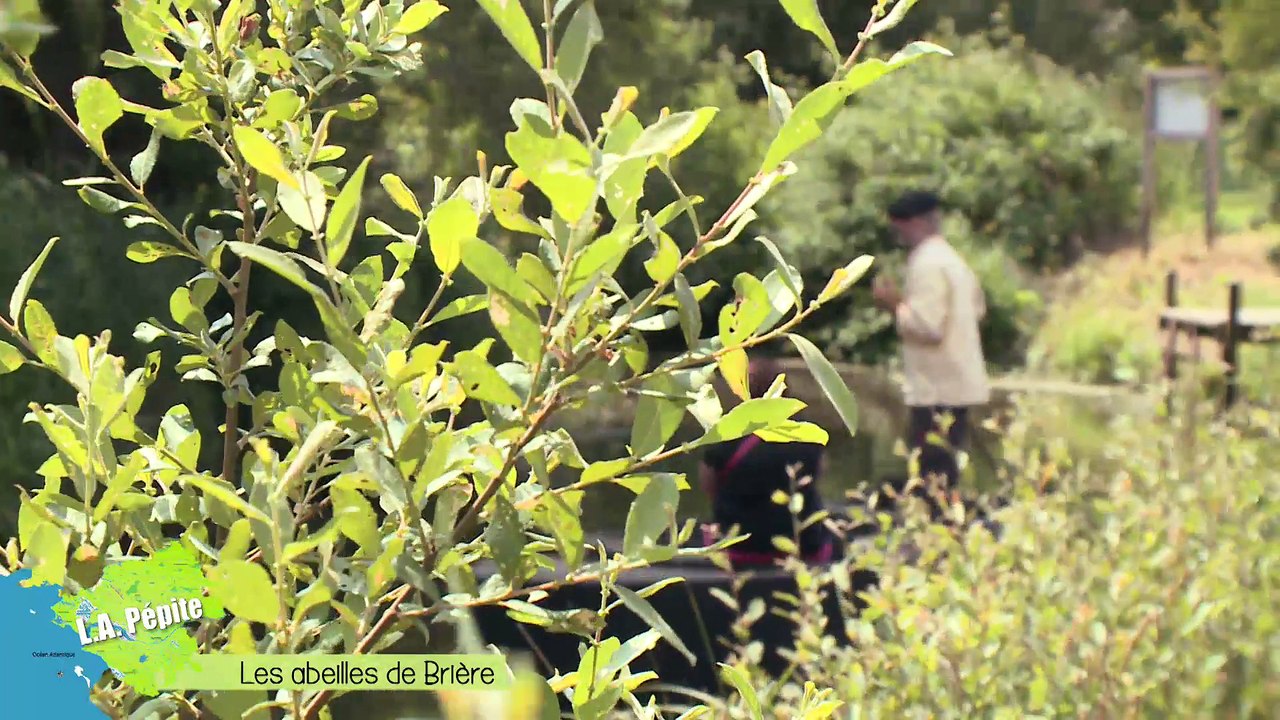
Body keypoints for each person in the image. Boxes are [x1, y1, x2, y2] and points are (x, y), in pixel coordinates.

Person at [871, 190, 990, 498]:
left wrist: (894, 305)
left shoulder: (925, 262)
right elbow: (978, 310)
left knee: (932, 474)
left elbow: (927, 326)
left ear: (914, 223)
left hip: (936, 389)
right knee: (946, 470)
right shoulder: (953, 259)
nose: (898, 235)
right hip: (958, 384)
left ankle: (934, 535)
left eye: (900, 227)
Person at [697, 357, 835, 567]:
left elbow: (708, 487)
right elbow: (819, 476)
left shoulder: (725, 435)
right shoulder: (808, 434)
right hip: (803, 548)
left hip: (738, 551)